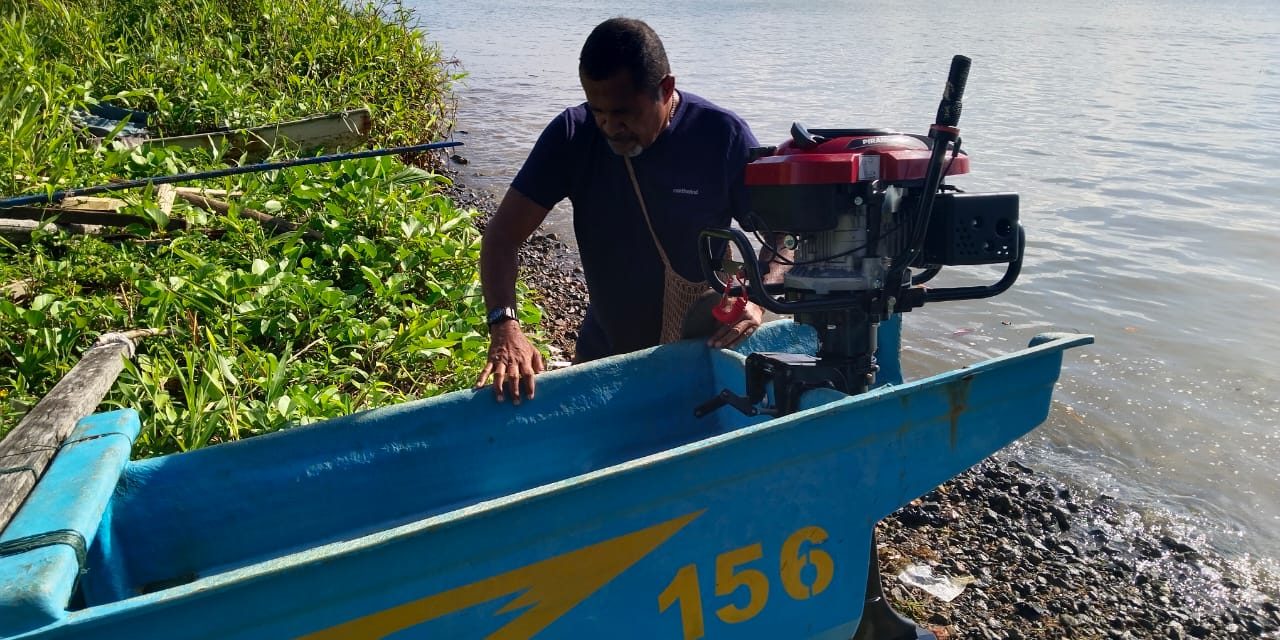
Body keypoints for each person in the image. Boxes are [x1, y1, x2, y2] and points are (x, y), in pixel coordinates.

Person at [474, 17, 788, 404]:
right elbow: (503, 237)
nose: (610, 127)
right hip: (606, 348)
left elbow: (781, 234)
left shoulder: (720, 136)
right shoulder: (573, 135)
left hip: (700, 347)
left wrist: (758, 296)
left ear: (666, 88)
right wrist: (505, 325)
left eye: (624, 113)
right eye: (598, 111)